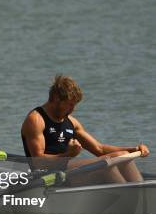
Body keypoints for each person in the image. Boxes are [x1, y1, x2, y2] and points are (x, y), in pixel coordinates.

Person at [21, 75, 149, 183]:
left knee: (123, 156)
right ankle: (131, 199)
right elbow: (38, 162)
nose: (73, 110)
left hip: (68, 170)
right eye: (70, 105)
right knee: (107, 163)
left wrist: (133, 149)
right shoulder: (36, 120)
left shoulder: (71, 122)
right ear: (56, 99)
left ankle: (141, 191)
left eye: (75, 105)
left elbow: (100, 149)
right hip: (48, 176)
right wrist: (68, 155)